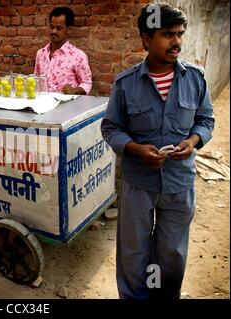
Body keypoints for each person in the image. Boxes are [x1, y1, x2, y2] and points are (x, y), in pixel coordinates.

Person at [101, 3, 214, 299]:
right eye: (167, 34)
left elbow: (205, 120)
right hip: (138, 184)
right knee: (133, 254)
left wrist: (192, 142)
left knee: (171, 254)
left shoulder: (196, 79)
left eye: (179, 34)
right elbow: (110, 128)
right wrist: (136, 149)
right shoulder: (125, 84)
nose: (176, 41)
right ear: (146, 40)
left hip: (179, 184)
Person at [34, 7, 92, 95]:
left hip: (67, 107)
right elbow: (36, 80)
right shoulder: (40, 54)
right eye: (52, 27)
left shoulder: (78, 56)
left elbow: (87, 83)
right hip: (42, 106)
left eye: (59, 28)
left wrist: (74, 90)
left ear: (69, 29)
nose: (54, 31)